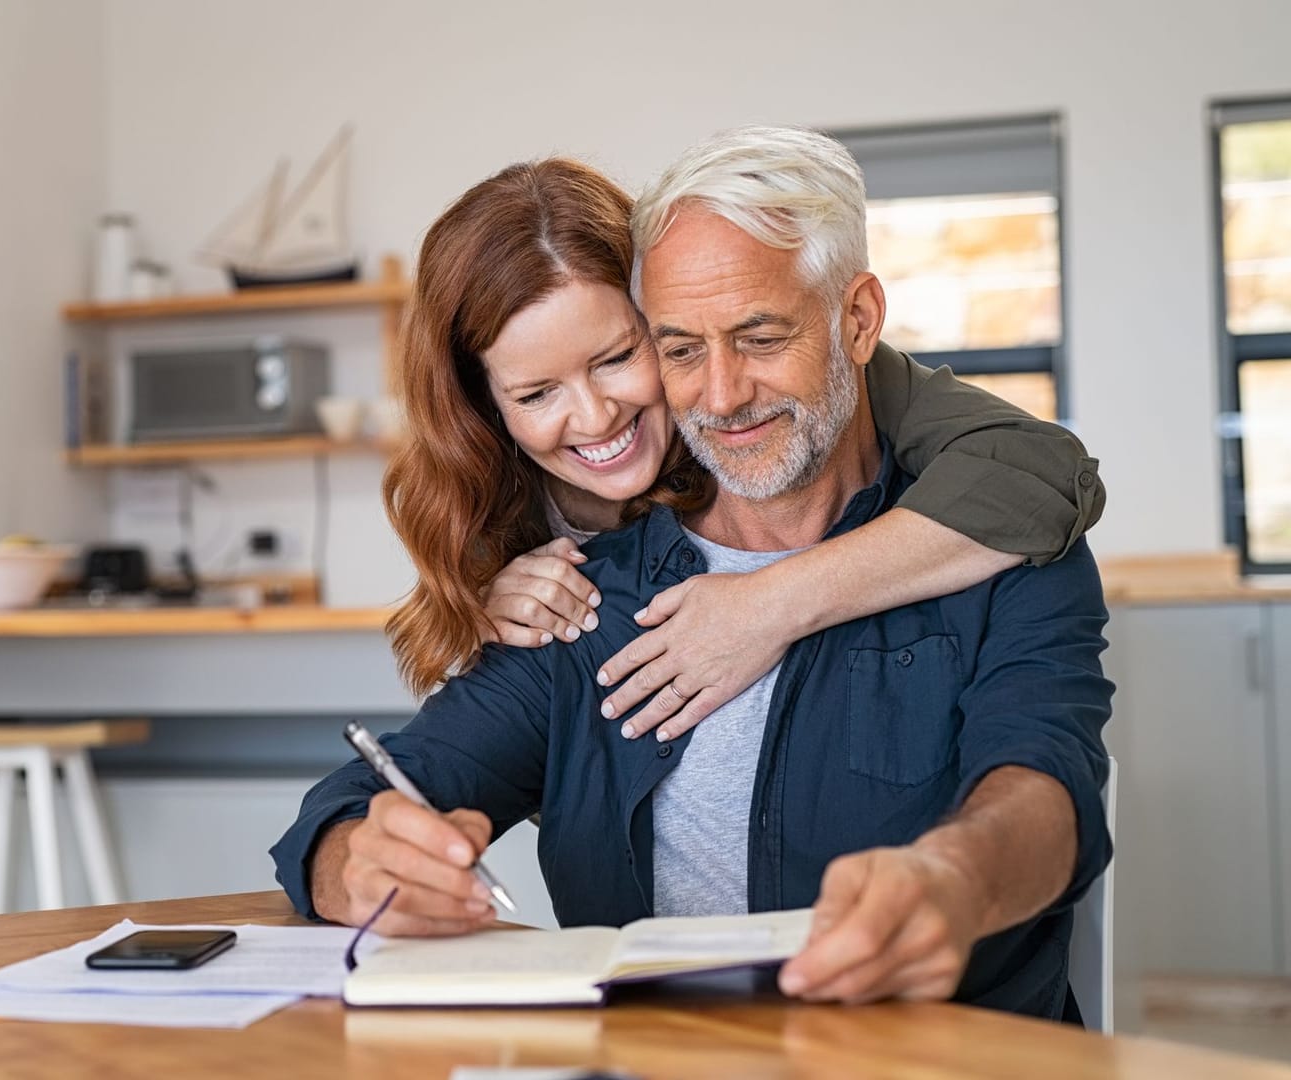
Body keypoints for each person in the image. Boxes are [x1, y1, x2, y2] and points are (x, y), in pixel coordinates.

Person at [273, 126, 1111, 1021]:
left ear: (858, 321)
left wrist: (956, 876)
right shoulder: (578, 590)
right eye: (679, 348)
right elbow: (360, 800)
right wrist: (354, 859)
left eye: (759, 337)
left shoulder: (992, 539)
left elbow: (1046, 784)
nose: (720, 394)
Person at [383, 158, 1101, 750]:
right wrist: (481, 604)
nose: (595, 415)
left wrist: (768, 605)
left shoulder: (792, 400)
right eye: (537, 394)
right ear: (487, 405)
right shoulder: (480, 494)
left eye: (617, 356)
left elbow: (1045, 472)